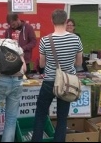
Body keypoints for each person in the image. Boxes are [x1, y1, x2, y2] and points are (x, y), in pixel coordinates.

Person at [31, 9, 83, 142]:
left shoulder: (45, 40)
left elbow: (42, 65)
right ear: (66, 21)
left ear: (51, 21)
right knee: (62, 118)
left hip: (49, 81)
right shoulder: (76, 39)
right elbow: (79, 63)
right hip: (68, 82)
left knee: (41, 115)